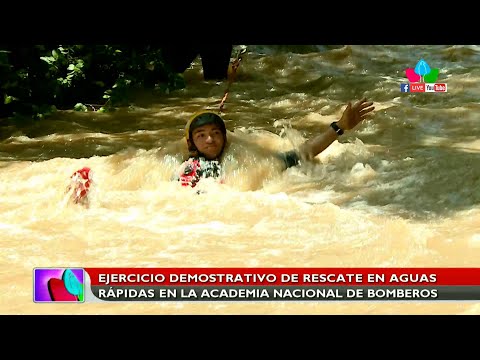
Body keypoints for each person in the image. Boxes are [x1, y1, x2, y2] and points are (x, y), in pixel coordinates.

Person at [176, 97, 375, 188]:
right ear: (191, 142)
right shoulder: (184, 170)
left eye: (215, 133)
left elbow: (304, 153)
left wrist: (339, 126)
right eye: (201, 135)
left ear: (225, 138)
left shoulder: (250, 164)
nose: (210, 139)